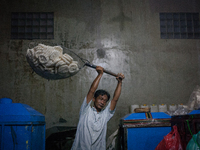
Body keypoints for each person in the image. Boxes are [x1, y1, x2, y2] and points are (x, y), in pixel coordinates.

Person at [71, 66, 125, 150]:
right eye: (101, 99)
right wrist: (100, 75)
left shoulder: (105, 115)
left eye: (105, 101)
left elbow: (115, 100)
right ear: (94, 99)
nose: (102, 102)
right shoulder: (85, 111)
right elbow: (92, 91)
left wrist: (119, 82)